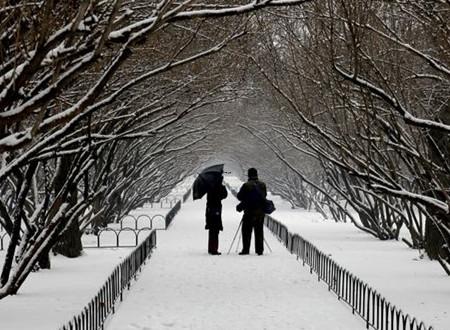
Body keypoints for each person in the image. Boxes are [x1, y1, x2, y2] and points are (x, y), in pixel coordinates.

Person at [236, 168, 267, 255]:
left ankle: (246, 250)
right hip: (260, 213)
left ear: (249, 175)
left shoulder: (246, 185)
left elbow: (240, 197)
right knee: (259, 231)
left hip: (249, 212)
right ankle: (259, 250)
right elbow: (264, 196)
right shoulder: (262, 185)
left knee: (246, 231)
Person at [205, 175, 228, 255]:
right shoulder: (219, 187)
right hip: (216, 210)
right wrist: (223, 187)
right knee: (215, 229)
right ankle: (214, 249)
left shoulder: (210, 186)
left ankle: (210, 248)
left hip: (209, 210)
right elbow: (224, 195)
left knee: (211, 229)